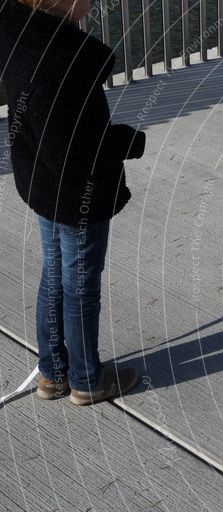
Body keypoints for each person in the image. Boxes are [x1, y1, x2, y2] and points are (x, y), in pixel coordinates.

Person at [0, 0, 145, 405]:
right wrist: (129, 142)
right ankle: (86, 379)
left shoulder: (20, 34)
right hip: (76, 195)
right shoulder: (62, 62)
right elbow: (76, 152)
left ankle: (52, 374)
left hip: (43, 185)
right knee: (81, 285)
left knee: (56, 274)